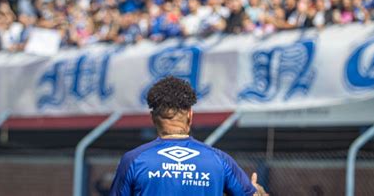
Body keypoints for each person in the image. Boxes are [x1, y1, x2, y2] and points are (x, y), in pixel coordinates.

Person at [109, 76, 268, 196]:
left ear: (152, 117)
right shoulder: (219, 160)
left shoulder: (133, 160)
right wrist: (257, 191)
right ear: (190, 115)